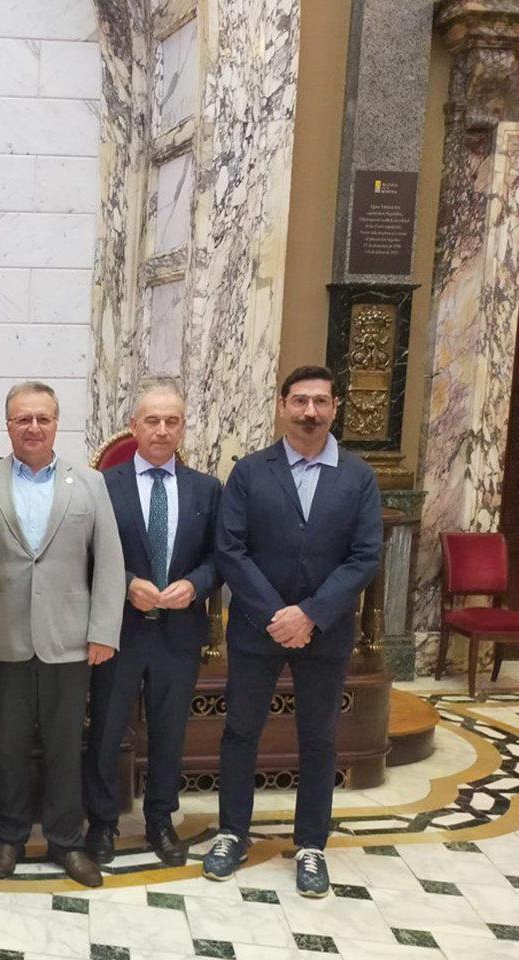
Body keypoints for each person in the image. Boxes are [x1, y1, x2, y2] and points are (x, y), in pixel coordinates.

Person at [203, 366, 382, 898]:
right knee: (240, 732)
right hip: (259, 630)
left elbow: (365, 556)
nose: (309, 411)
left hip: (324, 633)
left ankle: (310, 847)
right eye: (300, 400)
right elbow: (229, 549)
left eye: (320, 402)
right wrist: (276, 613)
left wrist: (310, 614)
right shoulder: (251, 472)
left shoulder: (358, 476)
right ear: (282, 405)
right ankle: (232, 833)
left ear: (335, 407)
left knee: (319, 739)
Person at [0, 382, 124, 888]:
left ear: (57, 422)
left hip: (70, 638)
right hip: (1, 633)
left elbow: (109, 564)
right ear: (7, 424)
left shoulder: (89, 483)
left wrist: (103, 629)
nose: (32, 427)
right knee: (8, 745)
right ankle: (10, 838)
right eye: (22, 419)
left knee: (64, 746)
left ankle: (66, 842)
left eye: (42, 418)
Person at [83, 386, 220, 867]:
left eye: (173, 421)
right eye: (153, 421)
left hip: (179, 632)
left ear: (183, 427)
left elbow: (218, 559)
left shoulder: (206, 488)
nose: (163, 430)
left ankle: (161, 821)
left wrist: (195, 585)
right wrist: (124, 583)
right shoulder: (102, 484)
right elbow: (85, 553)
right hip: (118, 629)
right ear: (134, 426)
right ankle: (102, 823)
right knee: (105, 728)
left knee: (170, 731)